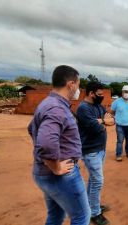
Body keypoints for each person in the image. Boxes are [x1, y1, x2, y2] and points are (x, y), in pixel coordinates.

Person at [28, 65, 91, 225]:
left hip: (45, 173)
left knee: (56, 215)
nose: (79, 88)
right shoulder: (57, 108)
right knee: (82, 216)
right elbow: (46, 143)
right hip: (61, 176)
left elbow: (31, 128)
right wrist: (55, 166)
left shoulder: (48, 103)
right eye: (78, 84)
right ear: (71, 84)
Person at [76, 81, 115, 225]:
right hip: (90, 151)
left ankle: (91, 204)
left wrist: (103, 121)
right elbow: (94, 126)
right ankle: (95, 213)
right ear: (91, 93)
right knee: (98, 180)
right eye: (99, 94)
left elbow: (111, 119)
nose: (102, 96)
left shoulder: (98, 105)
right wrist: (103, 121)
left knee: (93, 179)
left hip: (100, 149)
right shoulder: (83, 108)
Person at [111, 85, 128, 161]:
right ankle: (118, 155)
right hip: (120, 125)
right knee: (120, 140)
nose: (127, 93)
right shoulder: (116, 102)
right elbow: (112, 112)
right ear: (122, 92)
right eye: (125, 91)